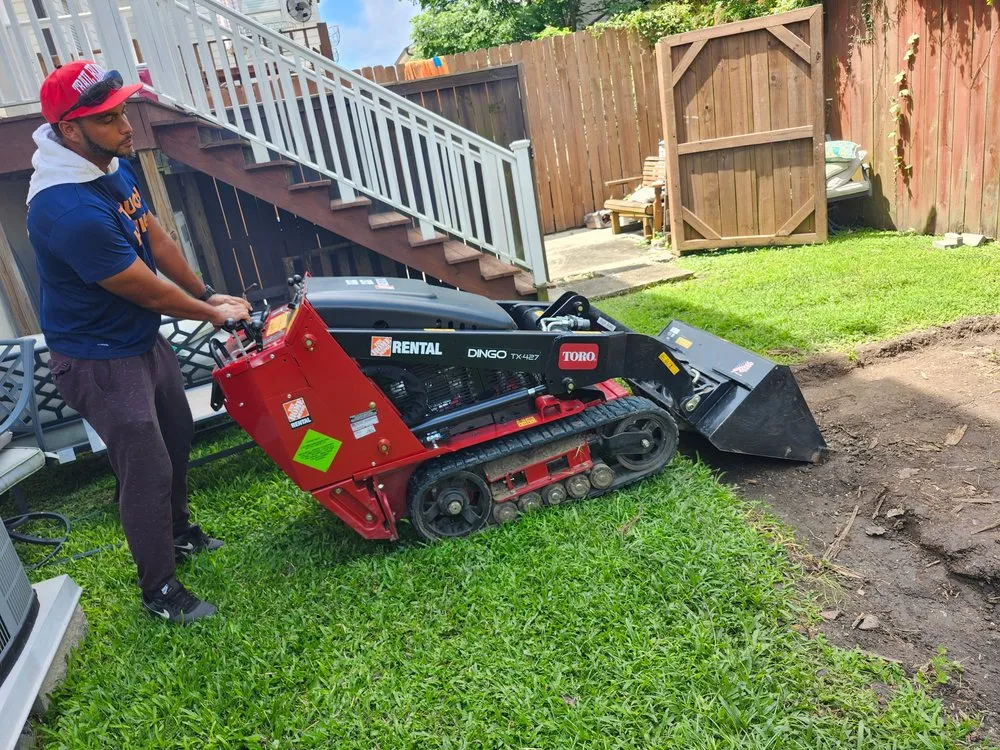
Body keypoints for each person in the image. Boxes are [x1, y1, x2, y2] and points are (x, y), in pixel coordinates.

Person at [25, 60, 252, 624]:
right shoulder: (65, 206)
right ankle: (160, 592)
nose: (127, 124)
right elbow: (141, 287)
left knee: (176, 440)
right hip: (98, 361)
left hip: (141, 344)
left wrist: (208, 292)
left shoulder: (108, 168)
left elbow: (155, 235)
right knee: (146, 469)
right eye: (109, 117)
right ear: (70, 129)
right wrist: (211, 316)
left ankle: (178, 532)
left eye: (123, 109)